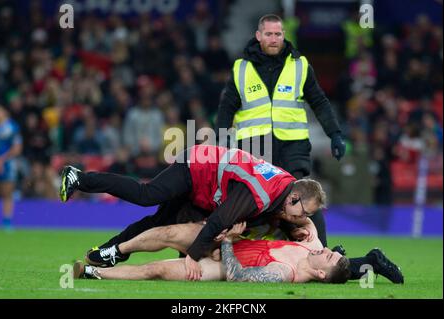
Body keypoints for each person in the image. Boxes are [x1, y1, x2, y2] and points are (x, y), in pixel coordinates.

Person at [60, 144, 326, 280]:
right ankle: (80, 178)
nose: (304, 218)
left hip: (209, 188)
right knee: (147, 196)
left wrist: (298, 229)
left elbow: (277, 213)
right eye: (304, 213)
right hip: (196, 167)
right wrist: (193, 256)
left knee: (160, 221)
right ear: (293, 198)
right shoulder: (261, 193)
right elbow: (220, 219)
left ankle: (105, 253)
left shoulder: (289, 188)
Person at [215, 13, 346, 249]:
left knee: (302, 197)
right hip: (254, 146)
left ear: (284, 35)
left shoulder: (300, 65)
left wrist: (334, 134)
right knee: (253, 200)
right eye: (269, 34)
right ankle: (232, 248)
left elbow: (319, 101)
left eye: (278, 34)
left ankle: (322, 250)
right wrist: (221, 140)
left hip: (292, 144)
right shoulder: (241, 68)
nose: (274, 39)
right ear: (258, 36)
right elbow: (227, 107)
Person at [74, 221, 353, 284]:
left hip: (217, 265)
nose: (326, 250)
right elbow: (305, 217)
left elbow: (236, 276)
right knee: (168, 233)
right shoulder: (311, 247)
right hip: (223, 243)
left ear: (319, 273)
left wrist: (229, 242)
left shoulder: (284, 273)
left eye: (329, 257)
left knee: (156, 269)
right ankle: (115, 251)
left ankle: (92, 272)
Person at [0, 104, 22, 230]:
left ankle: (7, 221)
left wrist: (1, 160)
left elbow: (17, 148)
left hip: (7, 164)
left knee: (7, 193)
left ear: (4, 111)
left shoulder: (12, 127)